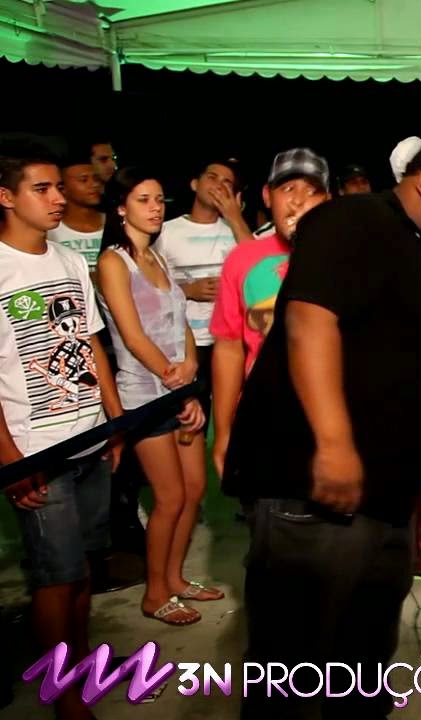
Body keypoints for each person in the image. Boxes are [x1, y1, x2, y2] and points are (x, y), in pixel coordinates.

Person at [221, 136, 421, 719]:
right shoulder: (353, 221)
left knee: (365, 644)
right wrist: (334, 444)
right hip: (312, 482)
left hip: (386, 491)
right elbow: (308, 322)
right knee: (293, 655)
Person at [0, 144, 124, 720]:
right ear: (6, 197)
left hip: (91, 438)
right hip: (36, 451)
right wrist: (10, 457)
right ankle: (64, 693)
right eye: (42, 189)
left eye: (58, 187)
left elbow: (91, 341)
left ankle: (81, 666)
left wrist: (115, 420)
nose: (58, 198)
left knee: (82, 570)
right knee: (56, 577)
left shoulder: (71, 261)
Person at [97, 168, 220, 626]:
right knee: (168, 498)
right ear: (120, 207)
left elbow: (180, 321)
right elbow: (132, 337)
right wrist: (177, 384)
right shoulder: (114, 262)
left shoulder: (158, 256)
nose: (155, 208)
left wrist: (189, 373)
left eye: (159, 200)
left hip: (177, 389)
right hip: (145, 396)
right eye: (143, 200)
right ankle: (154, 593)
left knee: (194, 490)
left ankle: (175, 579)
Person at [209, 148, 330, 478]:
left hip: (331, 422)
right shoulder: (242, 260)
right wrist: (224, 432)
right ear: (267, 196)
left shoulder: (345, 257)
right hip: (264, 420)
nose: (298, 201)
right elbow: (229, 348)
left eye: (312, 191)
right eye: (287, 188)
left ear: (328, 200)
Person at [154, 158, 254, 422]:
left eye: (227, 182)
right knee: (191, 419)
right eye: (212, 177)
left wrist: (235, 217)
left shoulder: (237, 229)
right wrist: (187, 290)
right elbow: (148, 289)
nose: (219, 185)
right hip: (185, 344)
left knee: (234, 416)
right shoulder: (166, 232)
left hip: (231, 341)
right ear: (194, 184)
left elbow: (257, 269)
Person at [49, 143, 105, 273]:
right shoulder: (51, 230)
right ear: (63, 187)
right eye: (83, 180)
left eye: (96, 179)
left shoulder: (115, 222)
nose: (94, 184)